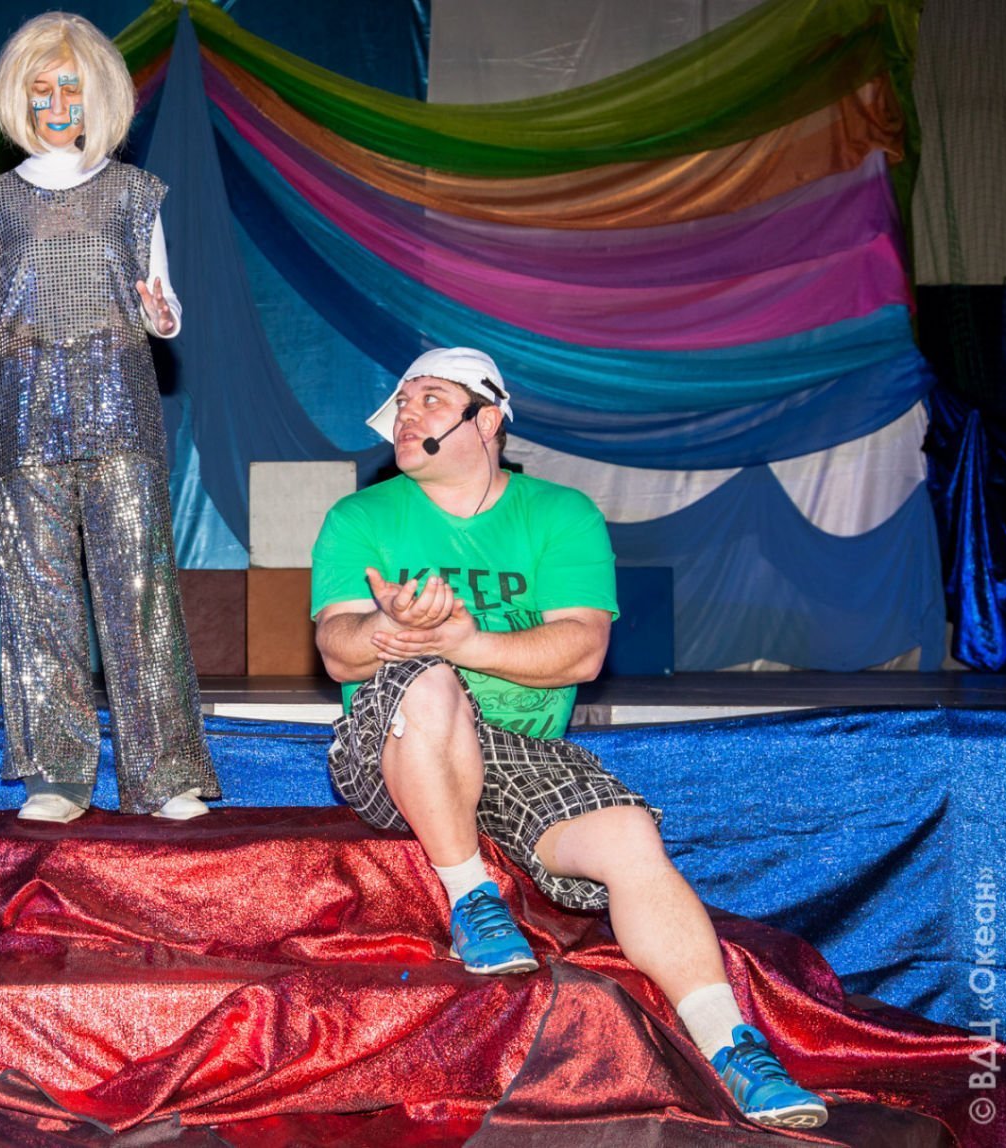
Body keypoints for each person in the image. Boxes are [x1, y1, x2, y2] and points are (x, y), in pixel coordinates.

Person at [309, 347, 827, 1130]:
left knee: (628, 837)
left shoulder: (560, 514)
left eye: (430, 399)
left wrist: (465, 638)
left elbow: (581, 651)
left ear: (487, 420)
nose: (406, 414)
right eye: (402, 403)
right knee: (430, 682)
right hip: (394, 740)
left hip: (519, 751)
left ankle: (733, 1046)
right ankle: (471, 898)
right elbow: (337, 650)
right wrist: (393, 627)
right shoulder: (361, 518)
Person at [0, 12, 219, 824]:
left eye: (71, 87)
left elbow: (163, 304)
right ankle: (56, 777)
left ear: (99, 96)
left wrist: (162, 316)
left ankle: (164, 777)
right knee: (39, 600)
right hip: (21, 416)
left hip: (118, 406)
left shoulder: (133, 193)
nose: (58, 103)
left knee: (139, 594)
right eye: (42, 88)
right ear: (19, 98)